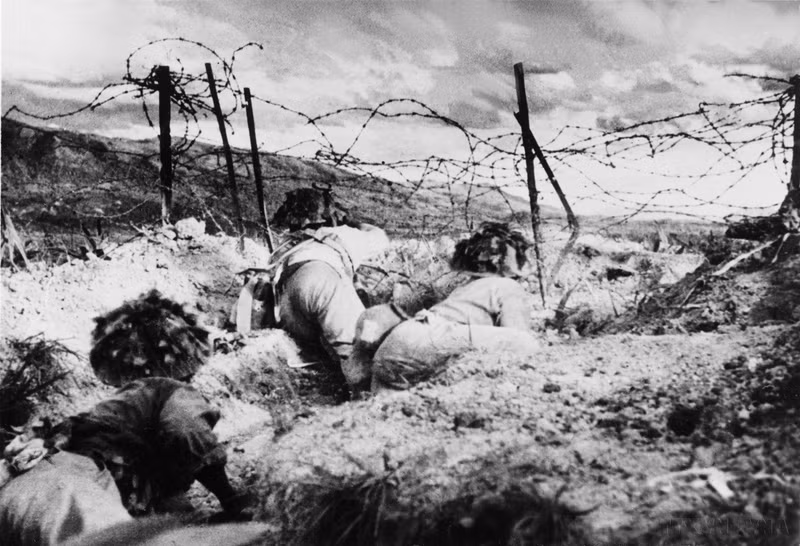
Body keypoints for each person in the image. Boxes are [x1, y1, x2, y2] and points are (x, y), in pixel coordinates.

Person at [0, 290, 251, 546]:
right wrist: (230, 498)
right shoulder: (168, 390)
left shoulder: (122, 411)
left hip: (19, 490)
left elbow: (170, 501)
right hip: (73, 487)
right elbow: (187, 431)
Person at [351, 222, 541, 393]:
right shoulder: (508, 286)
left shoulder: (468, 285)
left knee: (387, 411)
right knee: (525, 343)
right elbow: (518, 336)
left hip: (394, 346)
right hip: (428, 342)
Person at [270, 186, 390, 395]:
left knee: (319, 341)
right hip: (322, 277)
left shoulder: (286, 243)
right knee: (358, 350)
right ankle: (366, 400)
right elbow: (381, 238)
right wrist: (352, 223)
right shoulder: (342, 233)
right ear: (329, 215)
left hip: (288, 297)